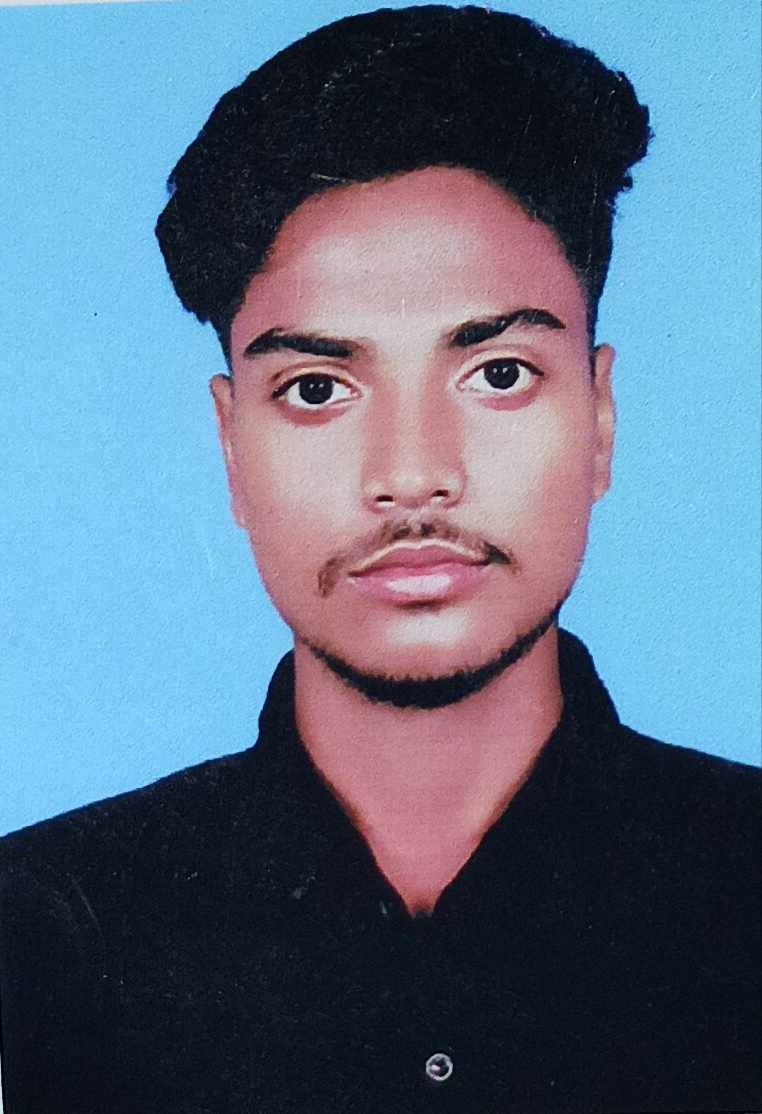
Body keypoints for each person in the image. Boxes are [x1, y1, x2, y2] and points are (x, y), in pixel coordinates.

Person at [1, 6, 758, 1113]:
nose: (412, 475)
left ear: (600, 421)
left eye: (498, 374)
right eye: (317, 388)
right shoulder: (45, 927)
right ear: (230, 447)